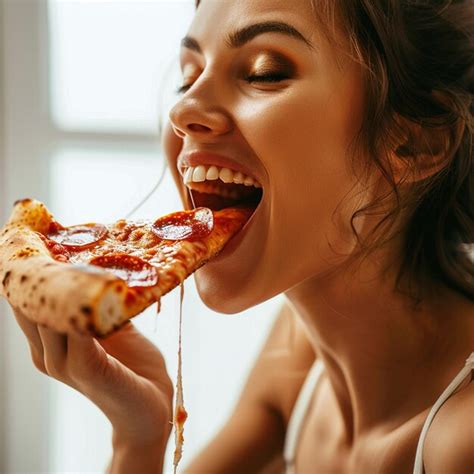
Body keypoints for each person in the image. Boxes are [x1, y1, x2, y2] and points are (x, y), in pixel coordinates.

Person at [12, 0, 473, 472]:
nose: (184, 108)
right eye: (188, 78)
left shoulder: (461, 442)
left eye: (263, 72)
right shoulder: (298, 350)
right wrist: (138, 435)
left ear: (413, 143)